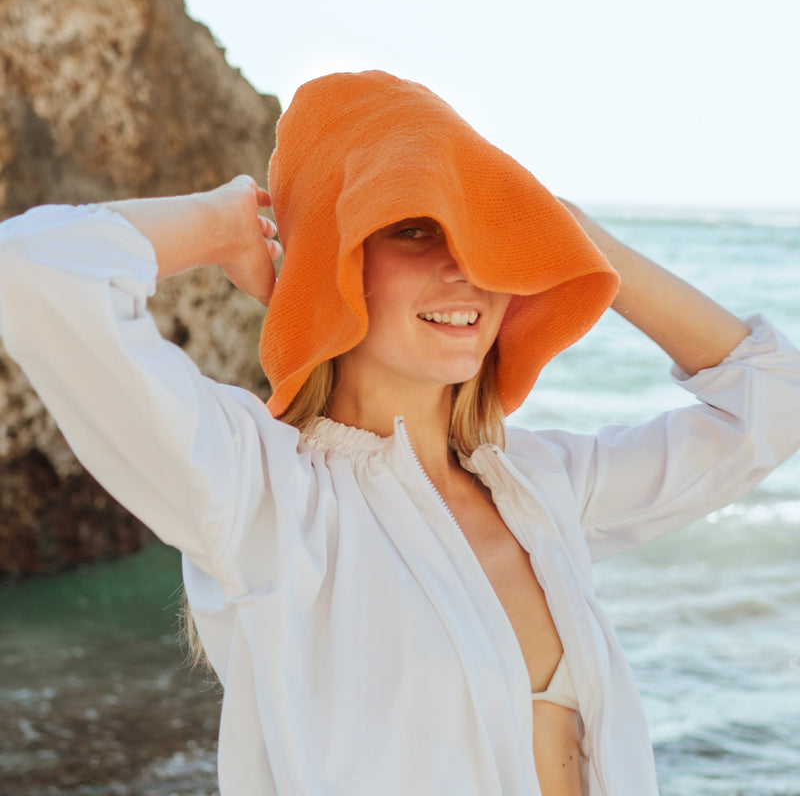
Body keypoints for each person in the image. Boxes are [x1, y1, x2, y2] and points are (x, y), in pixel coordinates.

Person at [1, 70, 799, 796]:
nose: (467, 270)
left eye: (488, 237)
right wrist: (219, 226)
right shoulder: (261, 490)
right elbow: (34, 273)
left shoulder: (542, 485)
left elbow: (772, 400)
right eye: (416, 230)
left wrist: (578, 239)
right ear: (336, 261)